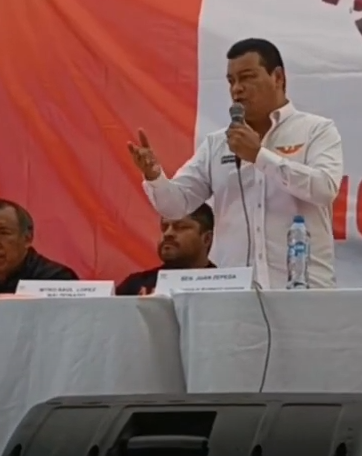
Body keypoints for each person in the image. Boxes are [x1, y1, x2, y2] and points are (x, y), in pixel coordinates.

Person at [130, 38, 343, 289]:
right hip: (235, 292)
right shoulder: (217, 143)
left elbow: (324, 189)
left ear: (277, 77)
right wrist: (155, 176)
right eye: (231, 81)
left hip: (303, 290)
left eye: (247, 77)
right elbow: (176, 206)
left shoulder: (316, 130)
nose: (237, 89)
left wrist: (259, 156)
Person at [117, 204, 216, 295]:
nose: (168, 233)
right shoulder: (134, 286)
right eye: (164, 228)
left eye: (180, 227)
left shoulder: (221, 285)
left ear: (206, 239)